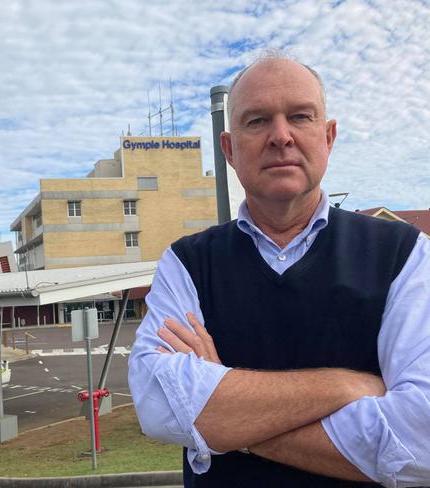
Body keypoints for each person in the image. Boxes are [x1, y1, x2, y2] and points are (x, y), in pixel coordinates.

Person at [128, 53, 430, 488]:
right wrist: (344, 386)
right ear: (229, 150)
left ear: (328, 137)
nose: (281, 136)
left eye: (300, 116)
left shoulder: (404, 255)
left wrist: (229, 421)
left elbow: (418, 443)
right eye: (257, 121)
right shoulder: (188, 264)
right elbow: (158, 406)